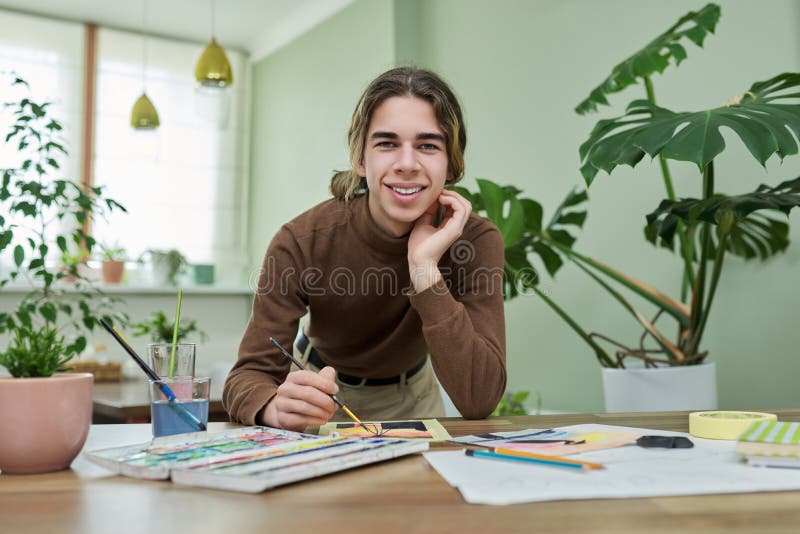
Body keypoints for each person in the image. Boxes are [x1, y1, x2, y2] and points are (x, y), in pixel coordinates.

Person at [223, 66, 506, 431]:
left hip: (415, 397)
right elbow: (247, 376)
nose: (407, 164)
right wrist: (273, 407)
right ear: (360, 159)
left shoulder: (475, 241)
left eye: (428, 145)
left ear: (451, 163)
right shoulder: (301, 241)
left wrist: (424, 268)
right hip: (321, 395)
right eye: (387, 144)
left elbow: (479, 398)